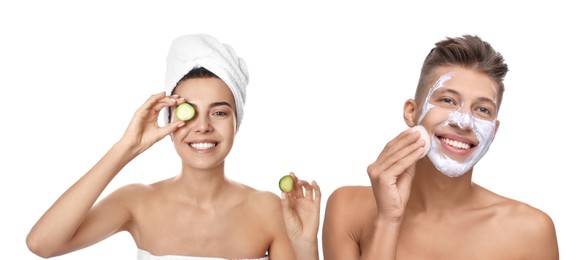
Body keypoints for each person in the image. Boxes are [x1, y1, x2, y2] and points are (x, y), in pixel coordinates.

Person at [26, 34, 321, 260]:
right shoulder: (136, 201)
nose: (203, 126)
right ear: (169, 119)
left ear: (236, 122)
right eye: (188, 112)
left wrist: (306, 244)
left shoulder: (268, 208)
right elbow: (42, 244)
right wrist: (126, 148)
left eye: (219, 112)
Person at [322, 35, 558, 259]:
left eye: (482, 109)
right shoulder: (348, 209)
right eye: (447, 100)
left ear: (494, 132)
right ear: (411, 113)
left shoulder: (530, 232)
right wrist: (388, 220)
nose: (464, 121)